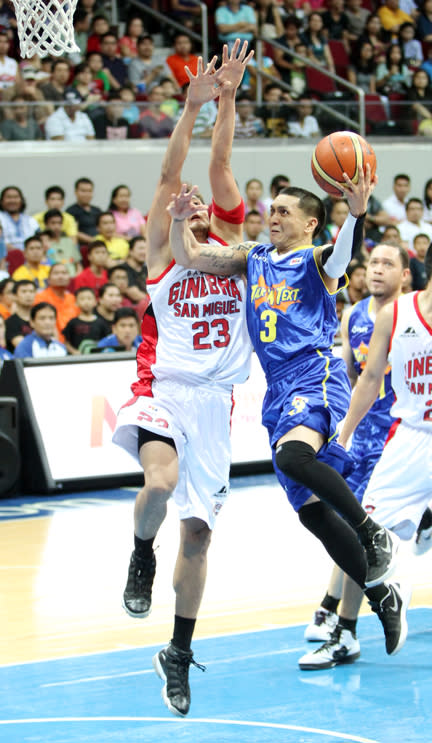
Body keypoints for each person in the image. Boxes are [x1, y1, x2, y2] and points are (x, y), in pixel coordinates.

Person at [168, 166, 408, 664]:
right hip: (276, 390)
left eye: (284, 211)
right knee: (313, 515)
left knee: (298, 457)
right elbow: (190, 254)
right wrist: (177, 220)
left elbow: (341, 254)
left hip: (314, 372)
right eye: (271, 209)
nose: (272, 217)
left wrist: (357, 214)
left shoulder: (315, 261)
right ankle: (382, 592)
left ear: (309, 224)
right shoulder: (252, 258)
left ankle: (371, 532)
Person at [112, 41, 254, 718]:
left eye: (206, 205)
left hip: (216, 405)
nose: (196, 201)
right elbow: (174, 174)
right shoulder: (166, 254)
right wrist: (190, 108)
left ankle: (176, 650)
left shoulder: (233, 255)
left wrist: (228, 99)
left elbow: (221, 165)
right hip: (164, 394)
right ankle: (141, 549)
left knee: (198, 535)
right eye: (185, 203)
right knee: (159, 485)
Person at [298, 242, 411, 668]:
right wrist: (341, 431)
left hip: (401, 439)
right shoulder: (356, 314)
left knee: (363, 529)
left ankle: (341, 618)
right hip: (362, 439)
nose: (377, 270)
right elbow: (351, 378)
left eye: (388, 264)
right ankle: (338, 616)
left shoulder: (412, 317)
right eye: (373, 263)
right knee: (351, 526)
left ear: (405, 275)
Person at [323, 242, 432, 662]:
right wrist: (344, 434)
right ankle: (347, 630)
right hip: (409, 438)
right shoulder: (395, 315)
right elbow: (367, 380)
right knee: (361, 535)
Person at [35, 264, 78, 343]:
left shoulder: (73, 298)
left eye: (64, 273)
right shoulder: (40, 298)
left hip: (73, 343)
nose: (60, 276)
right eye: (56, 273)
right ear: (48, 279)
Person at [62, 286, 108, 354]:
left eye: (89, 298)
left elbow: (106, 341)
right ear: (76, 303)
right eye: (82, 299)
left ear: (95, 302)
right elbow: (66, 342)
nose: (86, 302)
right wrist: (74, 352)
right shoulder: (72, 322)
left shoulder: (101, 323)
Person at [43, 209, 83, 278]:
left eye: (59, 223)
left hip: (73, 279)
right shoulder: (43, 244)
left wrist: (76, 278)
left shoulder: (69, 241)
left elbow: (78, 265)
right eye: (53, 223)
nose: (57, 227)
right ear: (46, 225)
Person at [0, 186, 39, 252]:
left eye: (15, 197)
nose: (12, 200)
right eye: (9, 197)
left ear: (21, 200)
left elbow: (39, 241)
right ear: (2, 201)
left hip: (29, 258)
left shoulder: (30, 220)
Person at [66, 177, 103, 246]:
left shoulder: (97, 210)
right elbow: (73, 232)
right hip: (82, 246)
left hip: (100, 245)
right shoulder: (71, 211)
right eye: (83, 191)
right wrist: (93, 240)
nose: (86, 194)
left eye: (89, 191)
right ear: (76, 192)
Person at [5, 279, 35, 352]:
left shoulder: (42, 319)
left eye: (31, 291)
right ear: (14, 296)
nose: (28, 295)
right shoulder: (10, 322)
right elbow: (23, 347)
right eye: (24, 291)